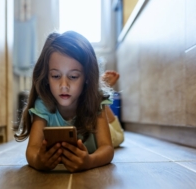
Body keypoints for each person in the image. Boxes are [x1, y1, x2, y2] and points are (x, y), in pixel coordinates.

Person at [14, 31, 124, 172]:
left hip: (95, 111)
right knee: (96, 96)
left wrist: (89, 161)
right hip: (88, 97)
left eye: (73, 76)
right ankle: (100, 89)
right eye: (55, 76)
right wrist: (38, 161)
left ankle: (100, 91)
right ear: (47, 77)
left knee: (118, 137)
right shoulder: (43, 104)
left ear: (86, 77)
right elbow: (32, 150)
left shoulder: (93, 103)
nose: (63, 85)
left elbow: (107, 148)